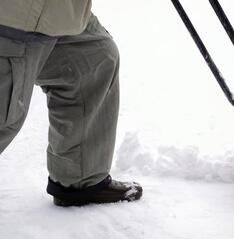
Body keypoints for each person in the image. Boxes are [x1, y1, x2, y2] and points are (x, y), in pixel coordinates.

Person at [0, 1, 143, 207]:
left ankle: (80, 179)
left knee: (91, 59)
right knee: (5, 115)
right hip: (11, 18)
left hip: (52, 10)